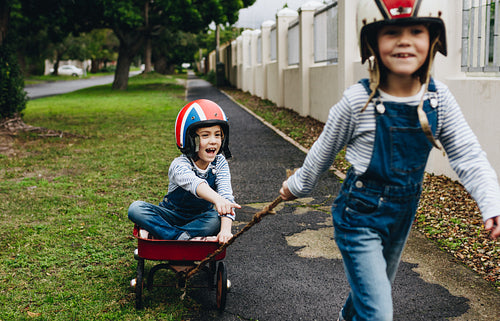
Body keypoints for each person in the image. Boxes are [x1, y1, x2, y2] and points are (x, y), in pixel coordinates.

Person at [279, 1, 500, 320]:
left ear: (433, 39)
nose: (405, 40)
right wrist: (296, 186)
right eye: (392, 32)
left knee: (371, 290)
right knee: (378, 311)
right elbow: (322, 152)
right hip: (359, 216)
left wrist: (490, 201)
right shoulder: (358, 102)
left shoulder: (438, 99)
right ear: (372, 42)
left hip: (402, 214)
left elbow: (468, 155)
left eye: (416, 31)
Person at [128, 99, 240, 244]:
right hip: (171, 215)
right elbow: (195, 183)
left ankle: (165, 235)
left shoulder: (220, 163)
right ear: (189, 140)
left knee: (215, 220)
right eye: (205, 135)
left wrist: (225, 230)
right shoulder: (179, 164)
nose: (213, 141)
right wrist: (217, 199)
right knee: (136, 208)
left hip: (199, 218)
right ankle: (184, 238)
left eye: (217, 135)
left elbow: (226, 197)